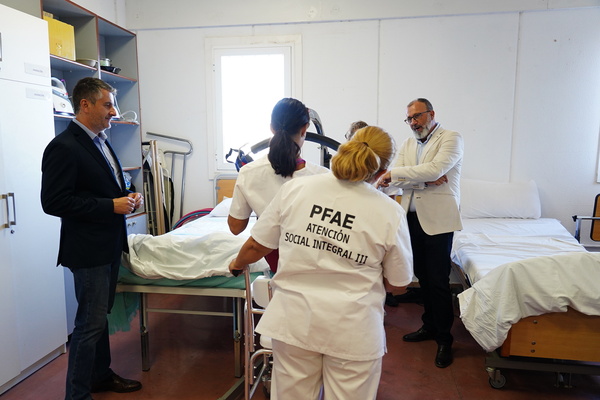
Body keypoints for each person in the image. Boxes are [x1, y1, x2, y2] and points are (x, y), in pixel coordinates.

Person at [229, 126, 414, 399]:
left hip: (295, 320)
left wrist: (236, 263)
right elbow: (398, 283)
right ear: (381, 170)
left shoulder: (296, 189)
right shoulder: (390, 212)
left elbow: (257, 245)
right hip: (353, 327)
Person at [41, 77, 144, 400]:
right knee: (88, 324)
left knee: (99, 320)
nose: (114, 111)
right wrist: (110, 206)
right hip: (88, 250)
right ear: (85, 105)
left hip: (109, 245)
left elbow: (110, 184)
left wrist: (129, 195)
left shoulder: (101, 141)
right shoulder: (64, 147)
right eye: (108, 105)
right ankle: (77, 395)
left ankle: (100, 376)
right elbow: (54, 202)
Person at [381, 98, 463, 368]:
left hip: (438, 221)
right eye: (409, 119)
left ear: (431, 114)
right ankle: (429, 325)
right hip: (411, 219)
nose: (413, 123)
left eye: (417, 116)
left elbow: (435, 169)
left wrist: (402, 175)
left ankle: (444, 339)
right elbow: (397, 182)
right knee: (423, 278)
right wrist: (425, 181)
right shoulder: (408, 144)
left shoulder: (451, 138)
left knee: (438, 281)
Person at [227, 98, 329, 272]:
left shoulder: (248, 172)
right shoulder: (324, 177)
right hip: (317, 263)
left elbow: (235, 228)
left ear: (271, 128)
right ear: (304, 129)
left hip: (275, 261)